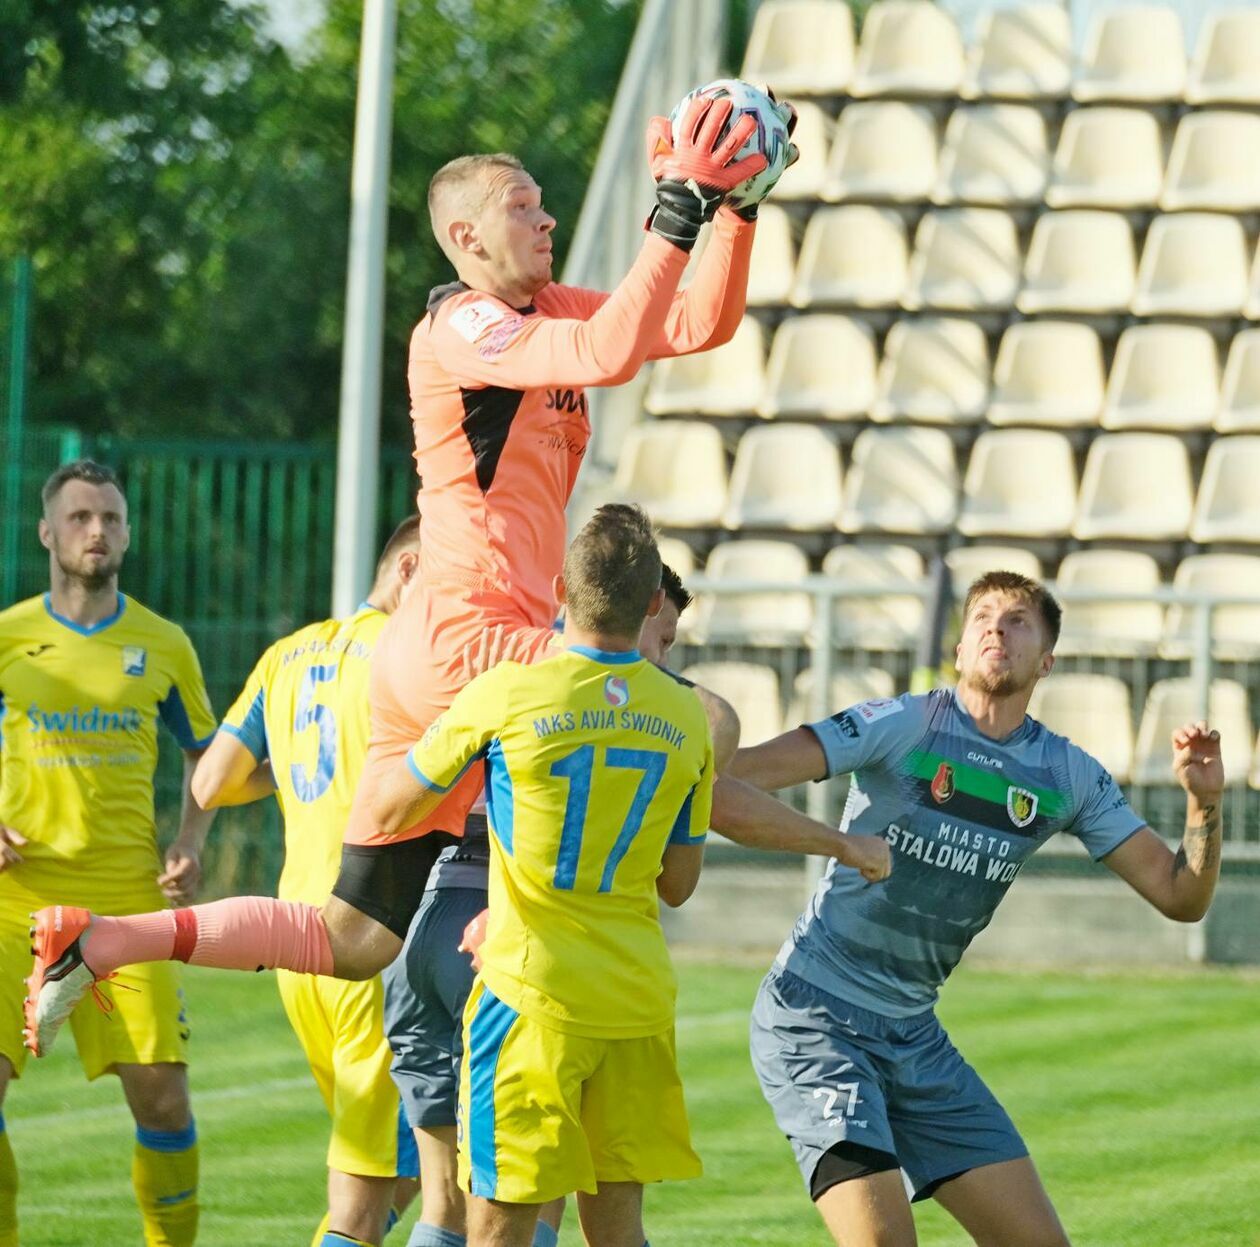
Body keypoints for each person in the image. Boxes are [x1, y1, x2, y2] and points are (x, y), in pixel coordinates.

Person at [24, 92, 793, 1034]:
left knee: (356, 938)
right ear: (467, 237)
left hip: (444, 647)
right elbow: (610, 345)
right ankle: (517, 935)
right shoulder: (462, 326)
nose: (547, 217)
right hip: (477, 637)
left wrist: (738, 208)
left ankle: (99, 940)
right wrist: (679, 206)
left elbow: (690, 327)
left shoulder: (543, 310)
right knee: (703, 720)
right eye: (523, 206)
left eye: (544, 202)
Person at [731, 570, 1225, 1247]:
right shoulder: (902, 724)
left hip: (914, 1034)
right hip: (814, 1016)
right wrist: (835, 842)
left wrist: (1203, 804)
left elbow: (1181, 895)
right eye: (983, 616)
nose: (998, 626)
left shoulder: (1065, 773)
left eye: (1019, 618)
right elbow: (737, 774)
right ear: (960, 649)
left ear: (1046, 660)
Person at [373, 505, 714, 1247]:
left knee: (497, 1225)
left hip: (531, 995)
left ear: (561, 589)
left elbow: (391, 806)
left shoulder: (508, 693)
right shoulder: (689, 718)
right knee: (619, 1229)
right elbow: (678, 882)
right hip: (634, 1001)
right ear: (655, 601)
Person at [188, 517, 425, 1247]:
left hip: (297, 947)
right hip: (369, 940)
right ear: (411, 569)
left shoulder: (288, 654)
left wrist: (289, 770)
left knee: (413, 1160)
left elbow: (210, 781)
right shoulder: (402, 654)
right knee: (366, 1196)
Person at [2, 459, 217, 1247]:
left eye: (112, 519)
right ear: (47, 532)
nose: (98, 531)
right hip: (13, 898)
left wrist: (190, 841)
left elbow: (206, 752)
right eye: (82, 517)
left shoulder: (162, 643)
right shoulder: (9, 636)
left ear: (128, 533)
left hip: (125, 901)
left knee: (162, 1100)